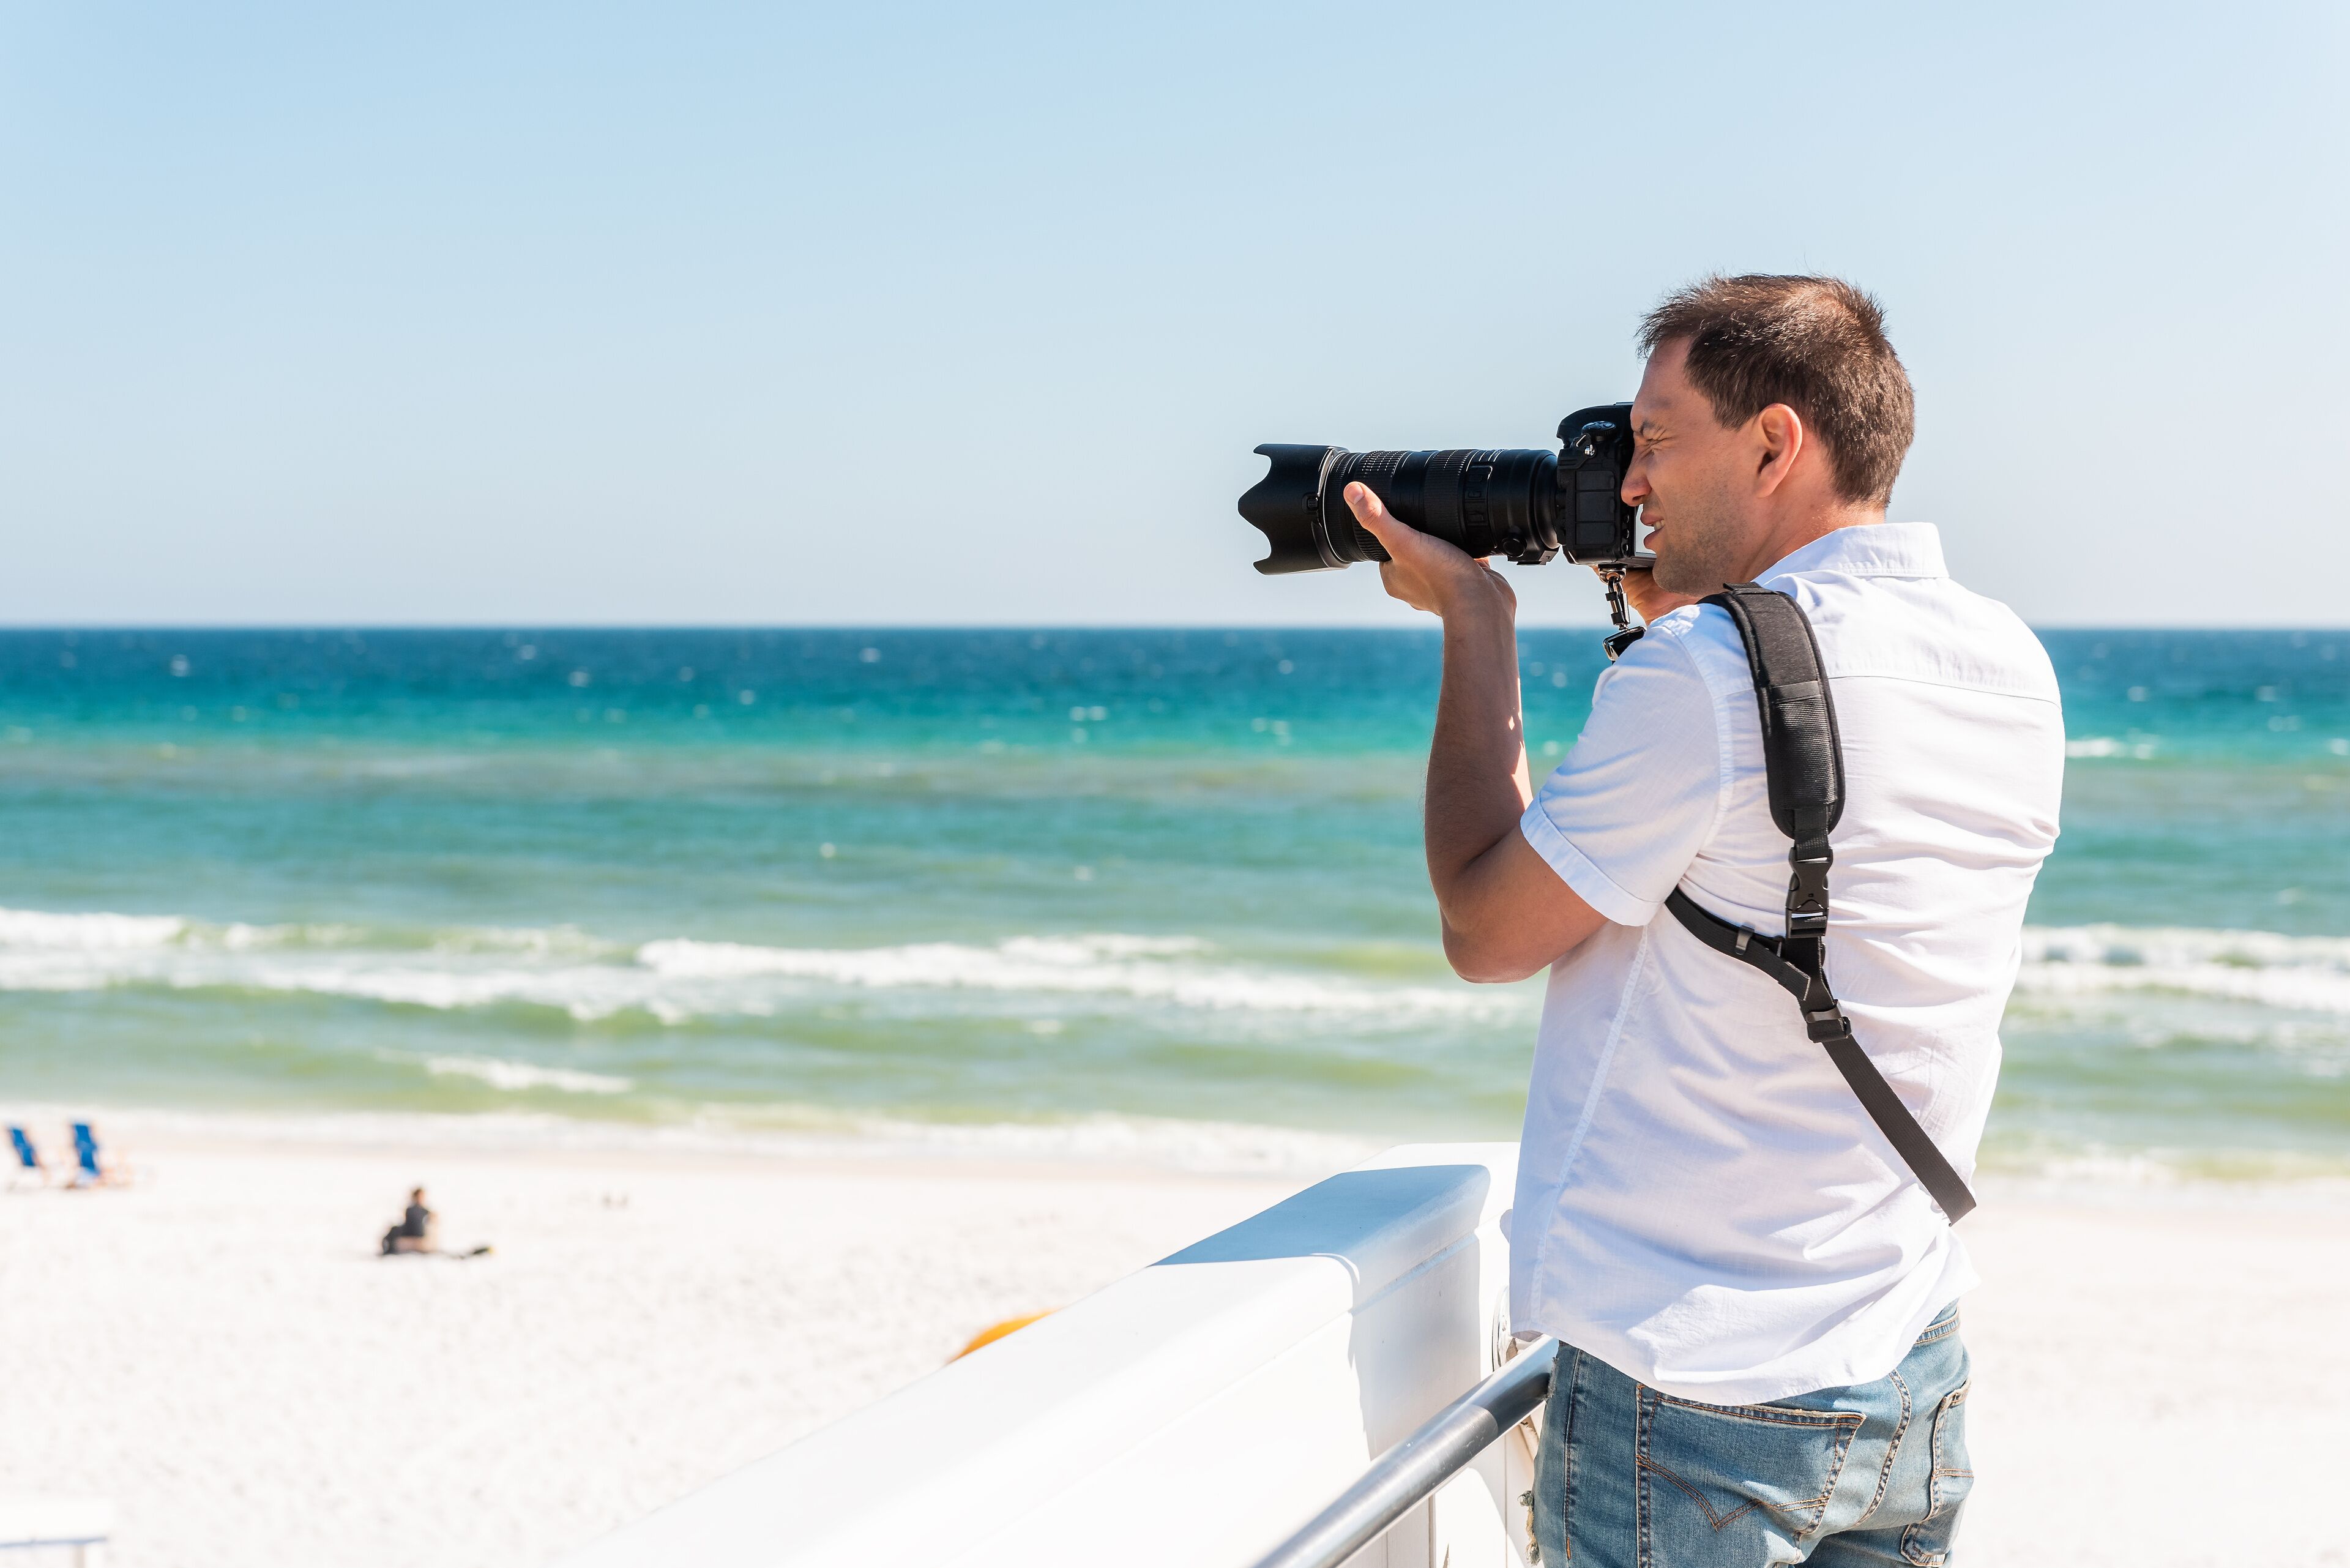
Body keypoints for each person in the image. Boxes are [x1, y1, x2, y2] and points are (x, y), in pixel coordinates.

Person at [1347, 274, 2062, 1565]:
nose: (1629, 486)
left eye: (1659, 441)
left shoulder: (1713, 672)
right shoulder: (2004, 660)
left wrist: (1476, 620)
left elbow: (1486, 929)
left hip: (1694, 1395)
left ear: (1775, 442)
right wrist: (1709, 626)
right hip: (1907, 1356)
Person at [381, 1187, 436, 1255]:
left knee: (394, 1230)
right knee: (394, 1229)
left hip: (413, 1233)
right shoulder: (417, 1209)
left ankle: (388, 1250)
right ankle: (388, 1249)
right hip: (411, 1232)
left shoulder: (416, 1210)